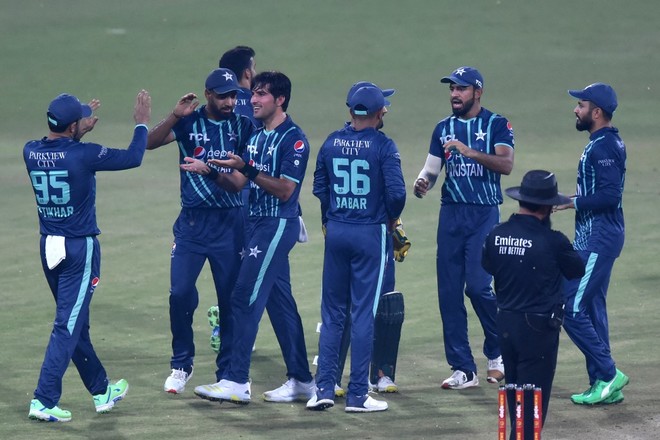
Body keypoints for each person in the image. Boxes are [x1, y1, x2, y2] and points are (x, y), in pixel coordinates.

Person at [184, 71, 315, 405]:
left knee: (243, 297)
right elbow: (238, 184)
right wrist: (210, 171)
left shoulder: (294, 139)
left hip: (276, 224)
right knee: (280, 303)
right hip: (255, 224)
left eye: (261, 94)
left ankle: (236, 380)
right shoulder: (256, 135)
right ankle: (302, 380)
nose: (252, 100)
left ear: (280, 100)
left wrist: (249, 169)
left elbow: (285, 191)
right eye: (253, 93)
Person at [24, 90, 151, 422]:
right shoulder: (85, 154)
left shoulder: (30, 151)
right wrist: (141, 124)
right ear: (72, 127)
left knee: (76, 324)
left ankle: (101, 390)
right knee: (67, 325)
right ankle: (43, 399)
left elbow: (60, 148)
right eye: (80, 120)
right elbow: (133, 157)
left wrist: (77, 129)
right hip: (79, 249)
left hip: (48, 246)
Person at [146, 68, 253, 394]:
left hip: (229, 224)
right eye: (223, 96)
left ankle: (227, 372)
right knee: (179, 293)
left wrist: (209, 172)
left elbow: (238, 184)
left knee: (229, 300)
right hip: (192, 224)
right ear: (208, 94)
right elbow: (148, 143)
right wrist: (174, 116)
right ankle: (182, 364)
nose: (230, 102)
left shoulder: (243, 126)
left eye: (233, 95)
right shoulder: (189, 122)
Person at [414, 66, 514, 389]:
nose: (455, 94)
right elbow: (432, 169)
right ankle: (463, 369)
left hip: (483, 214)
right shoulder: (443, 128)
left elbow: (506, 164)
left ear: (477, 92)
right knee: (448, 292)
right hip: (451, 215)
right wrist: (423, 182)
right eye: (452, 89)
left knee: (479, 287)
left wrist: (470, 152)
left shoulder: (497, 124)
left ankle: (498, 352)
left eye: (461, 88)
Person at [309, 83, 406, 412]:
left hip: (337, 231)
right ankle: (357, 395)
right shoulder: (384, 145)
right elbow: (397, 194)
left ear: (350, 110)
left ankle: (323, 388)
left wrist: (331, 217)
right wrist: (390, 219)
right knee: (363, 313)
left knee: (333, 313)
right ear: (380, 113)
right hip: (370, 233)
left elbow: (320, 187)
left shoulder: (331, 142)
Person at [482, 169, 585, 440]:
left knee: (514, 392)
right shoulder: (554, 241)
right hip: (538, 328)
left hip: (505, 323)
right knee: (533, 402)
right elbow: (577, 270)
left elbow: (488, 265)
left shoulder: (496, 234)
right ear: (547, 207)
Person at [555, 82, 629, 405]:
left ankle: (609, 374)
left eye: (581, 105)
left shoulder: (604, 147)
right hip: (594, 236)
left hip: (599, 238)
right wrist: (570, 200)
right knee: (593, 306)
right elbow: (600, 192)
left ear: (596, 112)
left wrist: (573, 202)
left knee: (570, 307)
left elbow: (611, 196)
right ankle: (603, 384)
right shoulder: (603, 142)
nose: (576, 110)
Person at [207, 45, 260, 354]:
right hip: (250, 198)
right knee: (254, 268)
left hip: (215, 197)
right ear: (248, 73)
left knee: (232, 267)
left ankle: (226, 323)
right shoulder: (257, 103)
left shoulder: (214, 105)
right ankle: (231, 330)